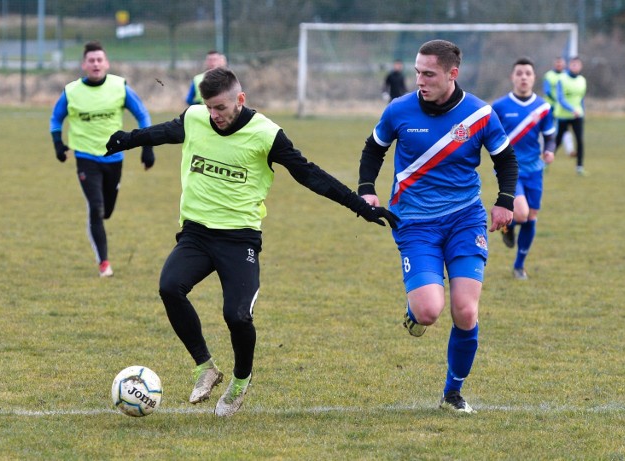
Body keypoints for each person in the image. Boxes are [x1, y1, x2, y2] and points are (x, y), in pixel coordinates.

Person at [104, 67, 398, 417]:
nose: (214, 115)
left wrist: (359, 206)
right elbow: (165, 131)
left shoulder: (267, 134)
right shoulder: (196, 118)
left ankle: (240, 382)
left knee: (238, 316)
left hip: (239, 238)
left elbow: (311, 175)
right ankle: (205, 368)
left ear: (240, 100)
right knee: (170, 287)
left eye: (221, 108)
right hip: (197, 234)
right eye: (209, 107)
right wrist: (127, 139)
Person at [356, 40, 518, 413]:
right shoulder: (399, 110)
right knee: (429, 311)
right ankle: (415, 311)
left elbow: (505, 161)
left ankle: (452, 393)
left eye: (428, 74)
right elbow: (373, 149)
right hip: (414, 223)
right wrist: (367, 191)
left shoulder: (479, 114)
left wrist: (504, 201)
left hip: (465, 219)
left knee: (465, 311)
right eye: (417, 72)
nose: (419, 81)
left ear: (452, 74)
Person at [49, 40, 154, 277]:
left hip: (114, 158)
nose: (95, 64)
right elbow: (56, 119)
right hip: (85, 157)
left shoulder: (120, 87)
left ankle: (98, 222)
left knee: (106, 211)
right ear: (84, 65)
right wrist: (58, 144)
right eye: (91, 60)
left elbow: (142, 114)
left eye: (99, 60)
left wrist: (147, 148)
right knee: (96, 209)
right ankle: (104, 263)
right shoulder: (71, 91)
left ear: (106, 63)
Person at [492, 57, 556, 280]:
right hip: (509, 169)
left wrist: (549, 150)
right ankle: (507, 225)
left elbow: (550, 136)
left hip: (534, 169)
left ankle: (519, 265)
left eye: (528, 73)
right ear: (512, 77)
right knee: (522, 212)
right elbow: (488, 135)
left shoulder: (544, 108)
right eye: (519, 73)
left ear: (534, 77)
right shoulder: (499, 107)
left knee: (531, 218)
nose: (523, 77)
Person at [554, 56, 588, 176]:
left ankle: (579, 167)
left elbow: (581, 98)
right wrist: (571, 109)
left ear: (580, 66)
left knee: (579, 140)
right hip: (563, 115)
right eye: (573, 64)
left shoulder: (582, 80)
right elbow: (560, 98)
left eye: (577, 65)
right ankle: (546, 162)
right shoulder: (562, 79)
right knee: (557, 140)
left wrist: (582, 111)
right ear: (569, 65)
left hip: (577, 116)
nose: (575, 67)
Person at [543, 56, 575, 156]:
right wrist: (556, 100)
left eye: (560, 63)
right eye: (557, 63)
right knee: (546, 127)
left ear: (564, 64)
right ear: (554, 64)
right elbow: (547, 91)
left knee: (564, 129)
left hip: (562, 108)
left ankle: (570, 150)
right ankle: (544, 148)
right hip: (550, 107)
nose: (559, 65)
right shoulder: (549, 75)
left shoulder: (566, 76)